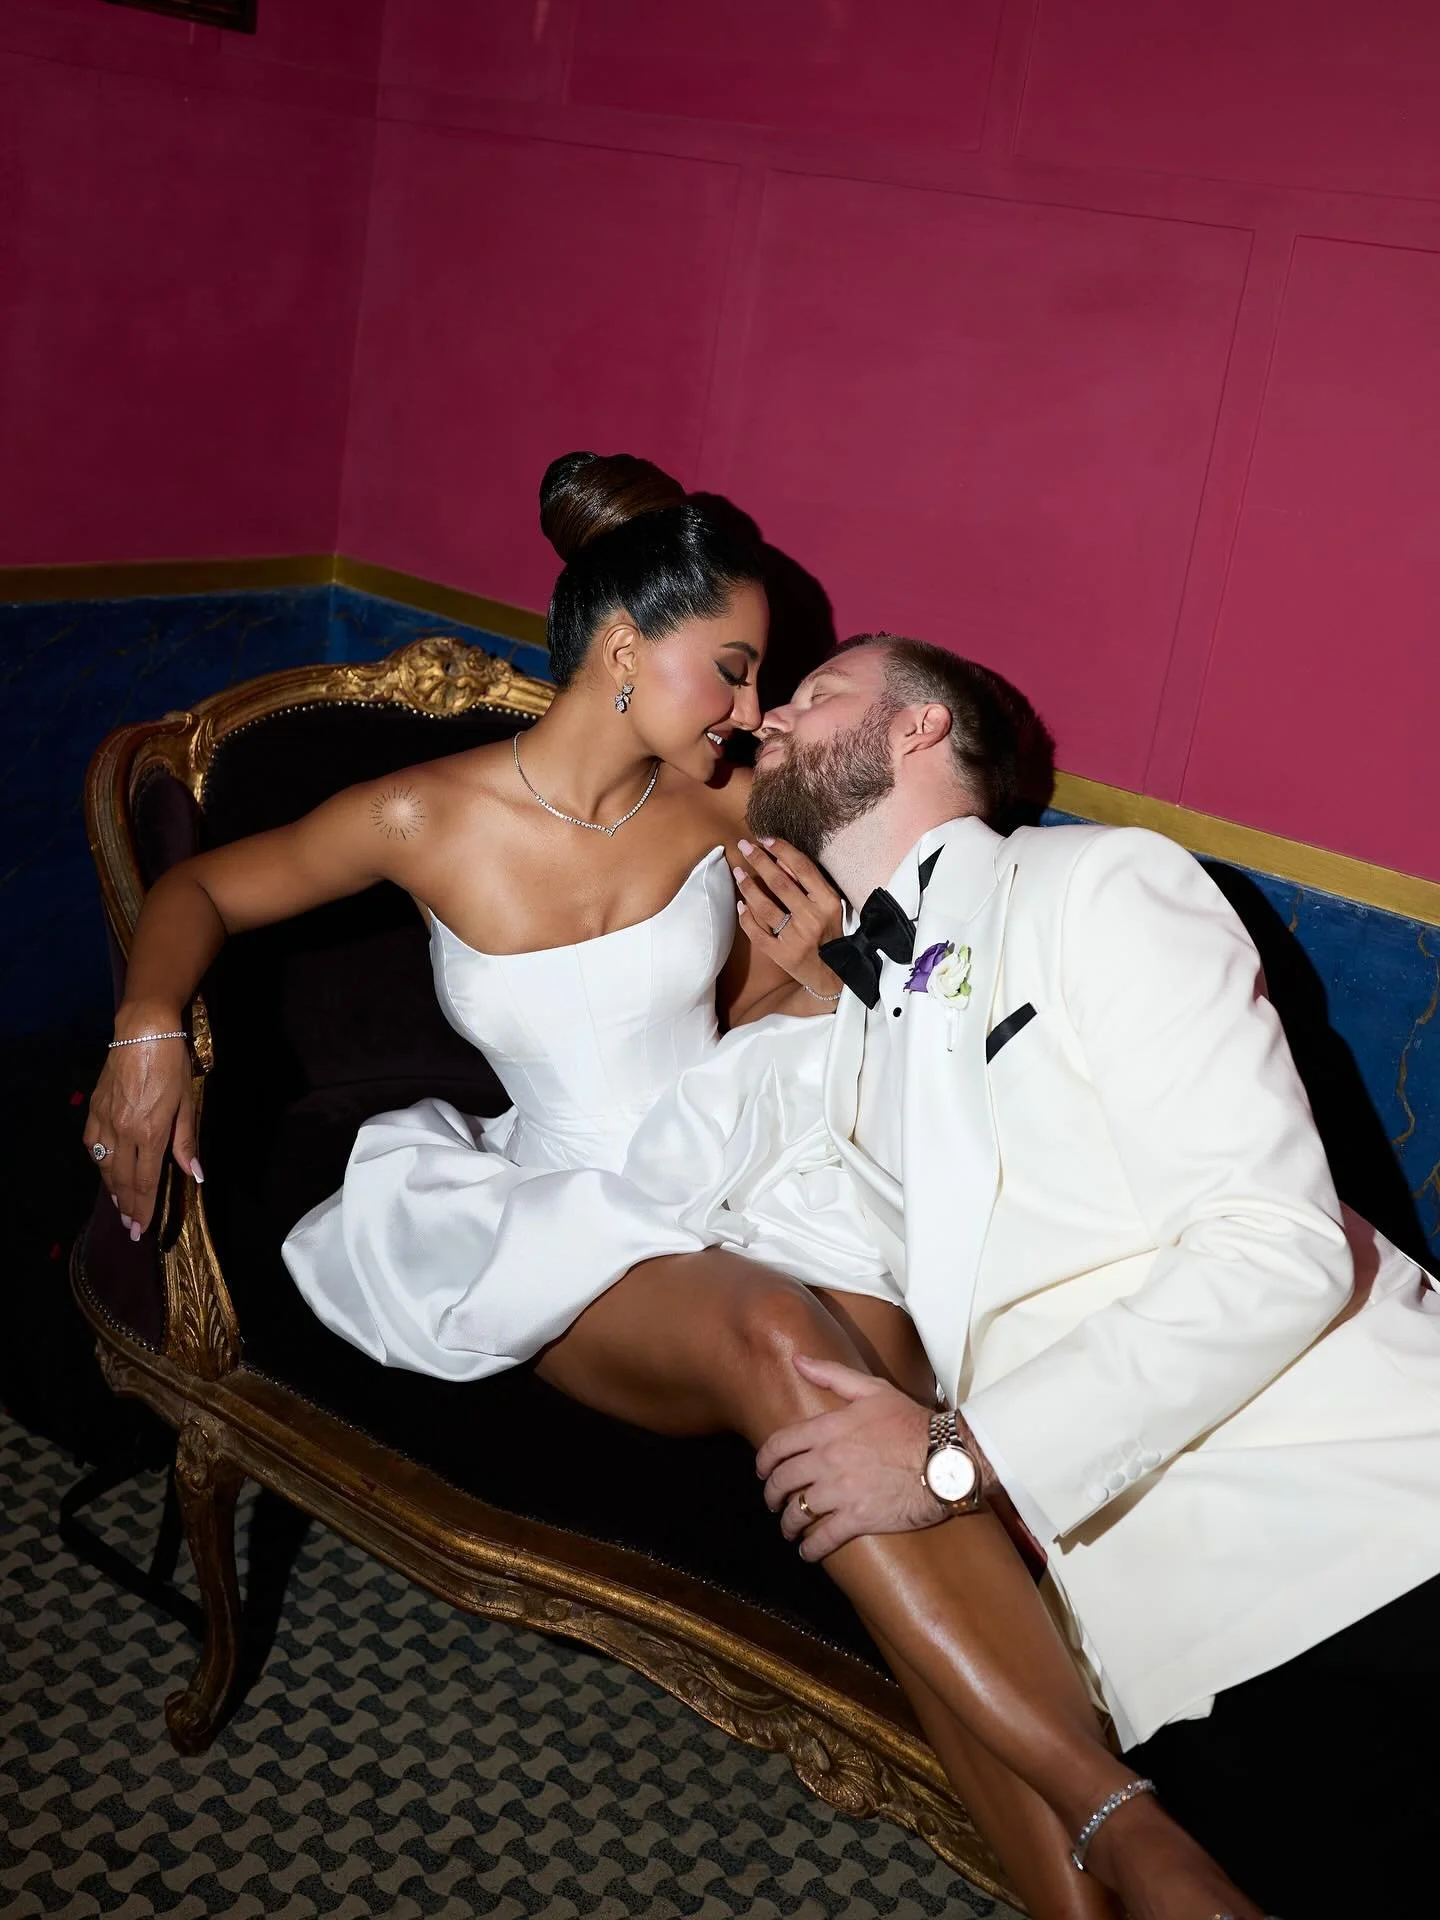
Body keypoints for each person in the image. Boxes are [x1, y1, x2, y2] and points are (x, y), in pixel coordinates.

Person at [84, 454, 1264, 1920]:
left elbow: (897, 901)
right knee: (779, 1341)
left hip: (751, 1146)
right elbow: (201, 889)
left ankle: (1083, 1892)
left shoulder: (723, 800)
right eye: (735, 665)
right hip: (568, 1207)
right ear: (628, 648)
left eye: (765, 676)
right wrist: (148, 1033)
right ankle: (1131, 1828)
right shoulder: (421, 819)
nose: (756, 708)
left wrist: (814, 967)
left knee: (893, 1429)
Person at [745, 632, 1440, 1919]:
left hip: (1370, 1524)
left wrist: (955, 1457)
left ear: (917, 730)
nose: (772, 716)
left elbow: (1274, 1245)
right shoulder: (852, 1032)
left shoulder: (1098, 884)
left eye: (815, 692)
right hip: (1166, 1642)